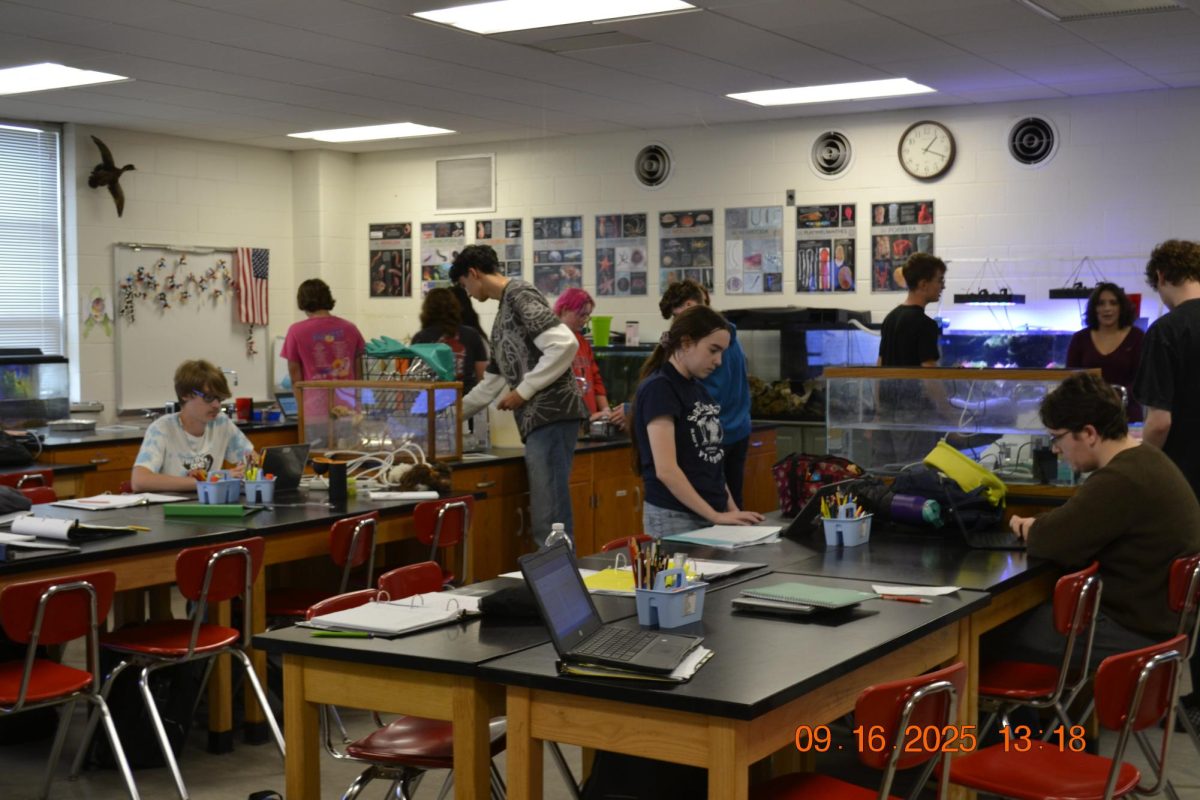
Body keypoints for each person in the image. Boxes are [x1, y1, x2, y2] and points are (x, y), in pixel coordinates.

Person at [992, 372, 1200, 668]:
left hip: (1134, 632)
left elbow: (1051, 541)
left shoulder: (1121, 479)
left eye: (1057, 438)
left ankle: (1009, 715)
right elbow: (1079, 521)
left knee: (987, 630)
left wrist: (1031, 527)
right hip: (1163, 626)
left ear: (1089, 433)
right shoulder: (1146, 461)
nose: (1055, 449)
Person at [451, 245, 586, 547]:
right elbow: (490, 384)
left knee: (549, 517)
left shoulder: (520, 295)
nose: (469, 293)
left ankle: (559, 591)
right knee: (546, 514)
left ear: (474, 273)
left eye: (465, 285)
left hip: (551, 416)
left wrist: (523, 392)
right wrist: (448, 417)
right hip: (540, 422)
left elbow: (564, 344)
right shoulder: (503, 317)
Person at [633, 306, 764, 537]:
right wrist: (715, 516)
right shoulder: (660, 388)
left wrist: (732, 511)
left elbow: (711, 461)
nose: (719, 361)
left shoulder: (699, 390)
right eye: (713, 350)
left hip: (709, 513)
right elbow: (666, 470)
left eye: (722, 352)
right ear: (686, 343)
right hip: (676, 517)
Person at [658, 279, 752, 508]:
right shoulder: (727, 336)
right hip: (736, 430)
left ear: (690, 305)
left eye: (677, 316)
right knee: (730, 506)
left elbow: (701, 398)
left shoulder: (711, 347)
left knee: (717, 507)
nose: (677, 324)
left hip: (715, 435)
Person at [1133, 239, 1200, 498]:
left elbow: (1160, 422)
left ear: (1161, 276)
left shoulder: (1166, 330)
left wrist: (1139, 467)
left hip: (1184, 477)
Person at [131, 359, 255, 492]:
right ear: (185, 395)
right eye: (208, 397)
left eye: (219, 399)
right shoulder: (162, 429)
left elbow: (253, 461)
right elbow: (140, 481)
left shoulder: (221, 423)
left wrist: (248, 468)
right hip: (170, 509)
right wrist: (213, 479)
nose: (216, 405)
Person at [281, 279, 366, 414]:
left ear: (302, 302)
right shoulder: (350, 328)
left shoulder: (296, 331)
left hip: (314, 406)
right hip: (348, 404)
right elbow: (359, 372)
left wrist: (302, 408)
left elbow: (294, 374)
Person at [1066, 282, 1144, 421]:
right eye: (1101, 303)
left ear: (1121, 307)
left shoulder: (1137, 337)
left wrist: (1115, 397)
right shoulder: (1080, 338)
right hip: (1088, 415)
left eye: (1113, 303)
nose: (1107, 308)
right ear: (1094, 308)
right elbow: (1070, 377)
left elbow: (1142, 379)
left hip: (1127, 415)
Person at [553, 288, 626, 430]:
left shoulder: (583, 343)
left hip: (589, 420)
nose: (585, 321)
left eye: (587, 316)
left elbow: (596, 379)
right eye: (581, 315)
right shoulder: (553, 342)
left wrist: (606, 412)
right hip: (566, 424)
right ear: (565, 310)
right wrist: (585, 419)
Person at [411, 287, 488, 395]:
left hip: (431, 399)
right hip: (465, 399)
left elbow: (414, 378)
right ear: (455, 308)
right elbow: (482, 376)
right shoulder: (471, 335)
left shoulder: (420, 338)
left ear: (427, 310)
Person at [877, 253, 946, 368]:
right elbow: (929, 375)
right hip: (912, 387)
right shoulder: (926, 325)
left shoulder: (890, 318)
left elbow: (879, 365)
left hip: (889, 386)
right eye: (939, 280)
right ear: (923, 284)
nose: (943, 286)